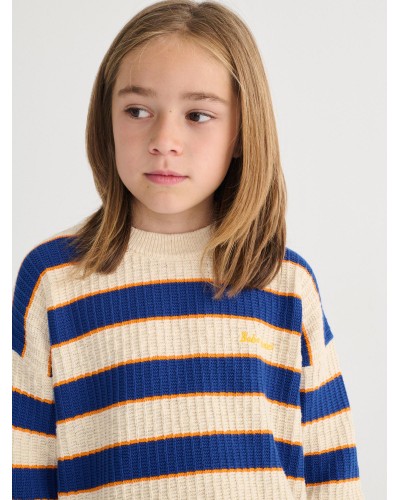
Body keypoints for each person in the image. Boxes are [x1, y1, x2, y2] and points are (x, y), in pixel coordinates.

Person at [12, 1, 364, 498]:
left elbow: (332, 471)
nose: (164, 140)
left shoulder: (285, 282)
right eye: (138, 111)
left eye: (198, 115)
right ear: (105, 118)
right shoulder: (55, 279)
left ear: (241, 131)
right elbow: (24, 466)